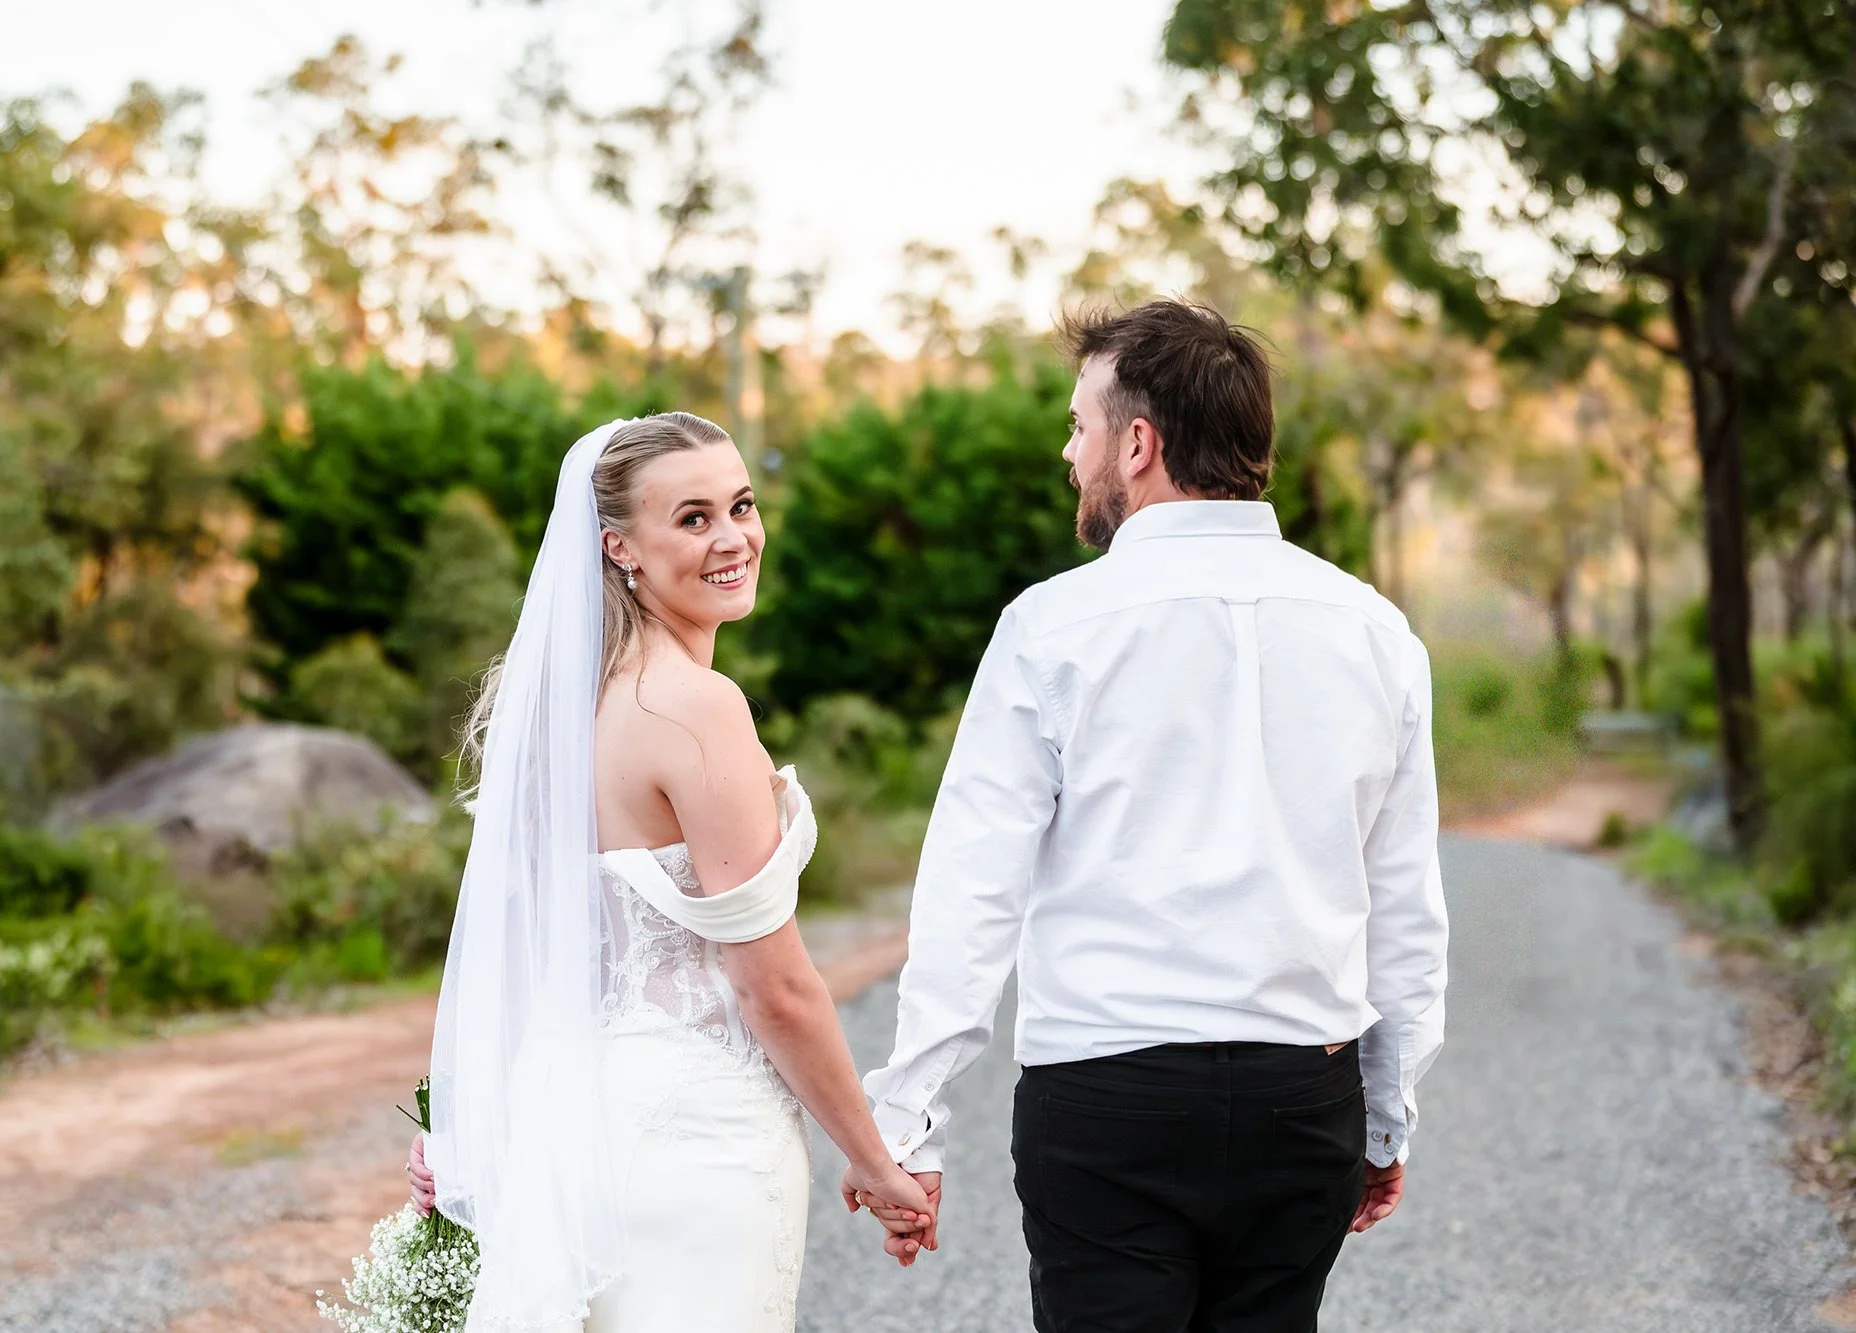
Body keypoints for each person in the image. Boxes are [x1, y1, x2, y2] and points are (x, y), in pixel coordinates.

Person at [848, 299, 1450, 1332]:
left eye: (1081, 424)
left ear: (1138, 444)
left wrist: (907, 1121)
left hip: (1105, 1097)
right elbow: (1401, 904)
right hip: (1300, 1100)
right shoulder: (1374, 631)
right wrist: (1383, 1118)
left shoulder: (1049, 629)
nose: (1068, 448)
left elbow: (971, 890)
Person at [405, 412, 932, 1332]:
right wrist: (876, 1159)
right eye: (692, 518)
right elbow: (775, 988)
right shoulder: (697, 707)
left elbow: (522, 948)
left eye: (741, 504)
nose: (732, 537)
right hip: (696, 1140)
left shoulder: (562, 717)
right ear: (619, 546)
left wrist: (468, 1130)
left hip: (564, 1124)